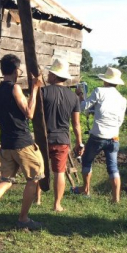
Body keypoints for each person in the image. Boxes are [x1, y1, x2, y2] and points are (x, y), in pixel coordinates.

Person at [0, 54, 45, 233]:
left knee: (6, 180)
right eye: (19, 69)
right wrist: (35, 88)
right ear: (15, 70)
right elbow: (29, 113)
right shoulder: (15, 88)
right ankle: (23, 218)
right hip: (22, 142)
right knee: (34, 177)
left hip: (6, 143)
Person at [75, 67, 127, 203]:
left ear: (105, 81)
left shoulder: (99, 91)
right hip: (114, 137)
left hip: (98, 136)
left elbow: (83, 107)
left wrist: (80, 96)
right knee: (113, 167)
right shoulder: (122, 99)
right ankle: (116, 199)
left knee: (87, 160)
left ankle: (86, 190)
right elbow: (120, 121)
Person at [40, 57, 83, 212]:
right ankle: (57, 204)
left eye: (50, 73)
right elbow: (76, 124)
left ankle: (37, 199)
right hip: (62, 139)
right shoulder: (73, 97)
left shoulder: (42, 92)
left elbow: (36, 116)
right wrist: (79, 143)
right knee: (59, 172)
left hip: (44, 138)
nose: (48, 76)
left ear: (54, 76)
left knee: (40, 169)